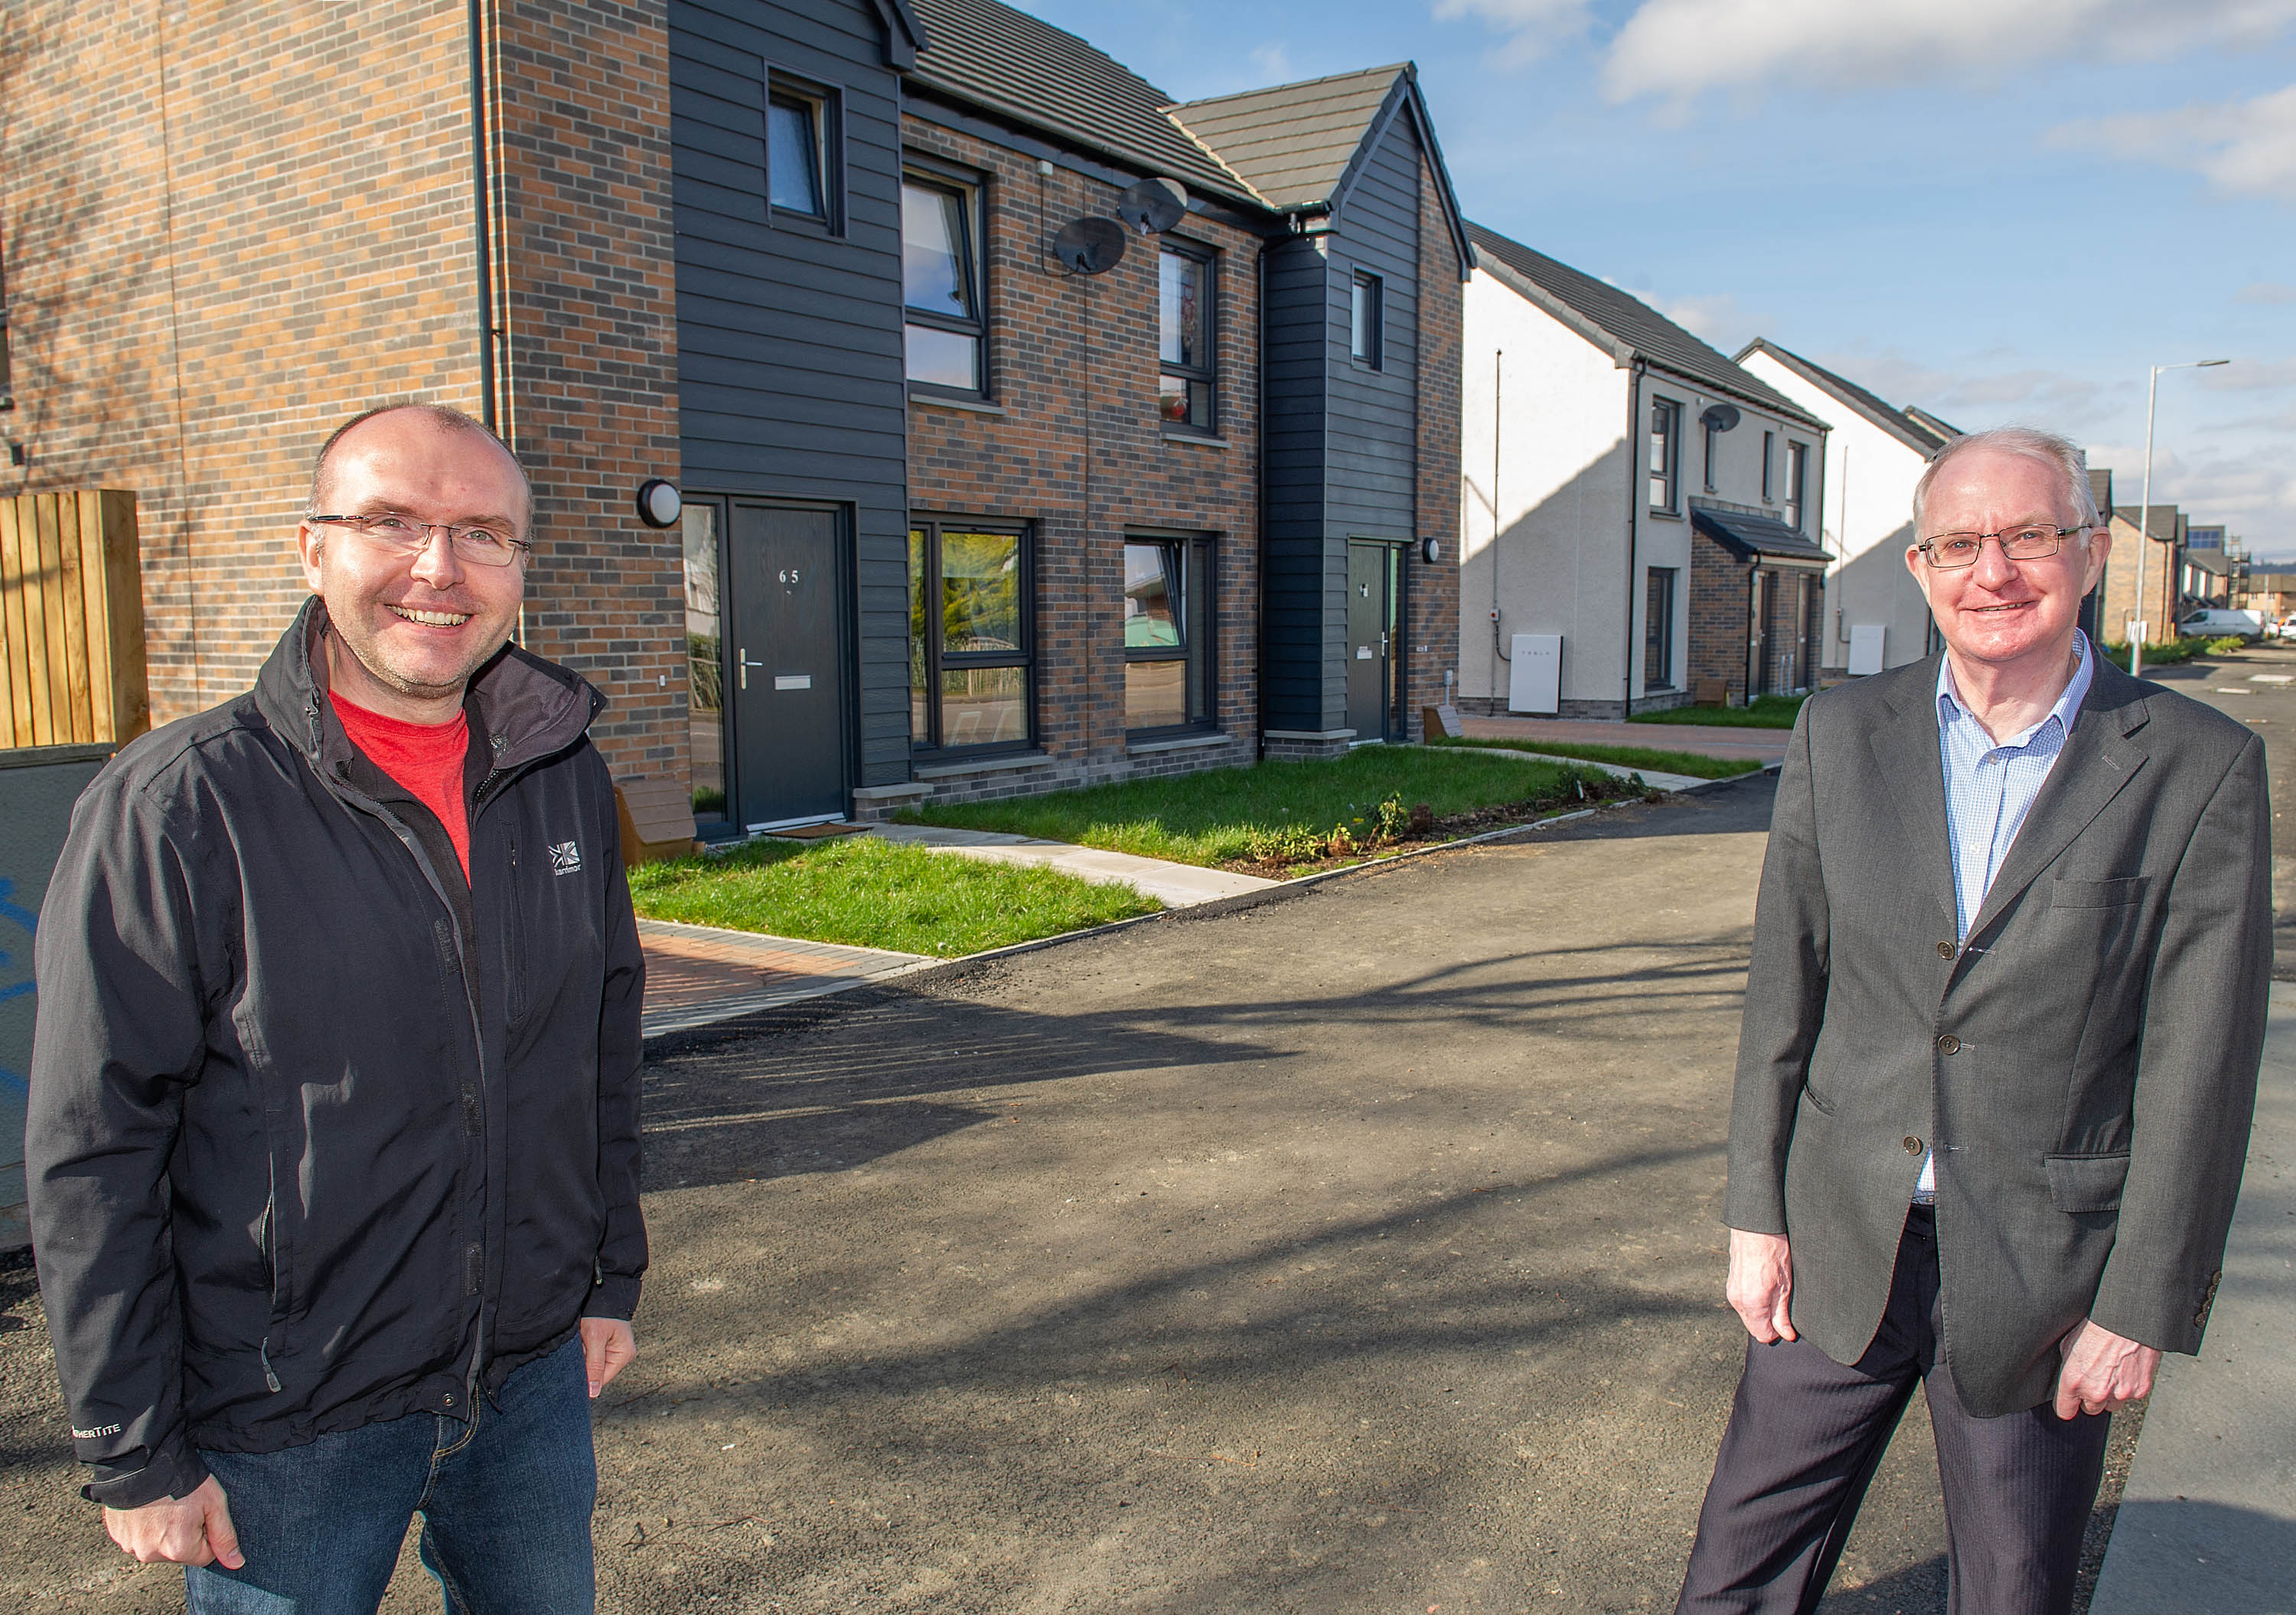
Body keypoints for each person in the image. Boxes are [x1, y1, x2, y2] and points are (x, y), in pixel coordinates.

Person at [29, 403, 647, 1613]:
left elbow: (599, 1044)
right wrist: (134, 1445)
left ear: (520, 564)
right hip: (286, 1421)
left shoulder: (562, 773)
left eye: (483, 532)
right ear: (312, 549)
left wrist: (605, 1275)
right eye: (392, 522)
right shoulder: (179, 807)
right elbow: (95, 1142)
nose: (440, 567)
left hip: (528, 1379)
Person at [1675, 427, 2269, 1614]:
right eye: (1959, 543)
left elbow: (2200, 1068)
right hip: (1840, 1244)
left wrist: (2138, 1305)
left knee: (2012, 1591)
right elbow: (1786, 994)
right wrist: (1756, 1214)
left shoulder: (2197, 767)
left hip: (2044, 1278)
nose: (1992, 570)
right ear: (1921, 566)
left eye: (2029, 534)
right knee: (1733, 1578)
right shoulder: (1840, 734)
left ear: (2092, 551)